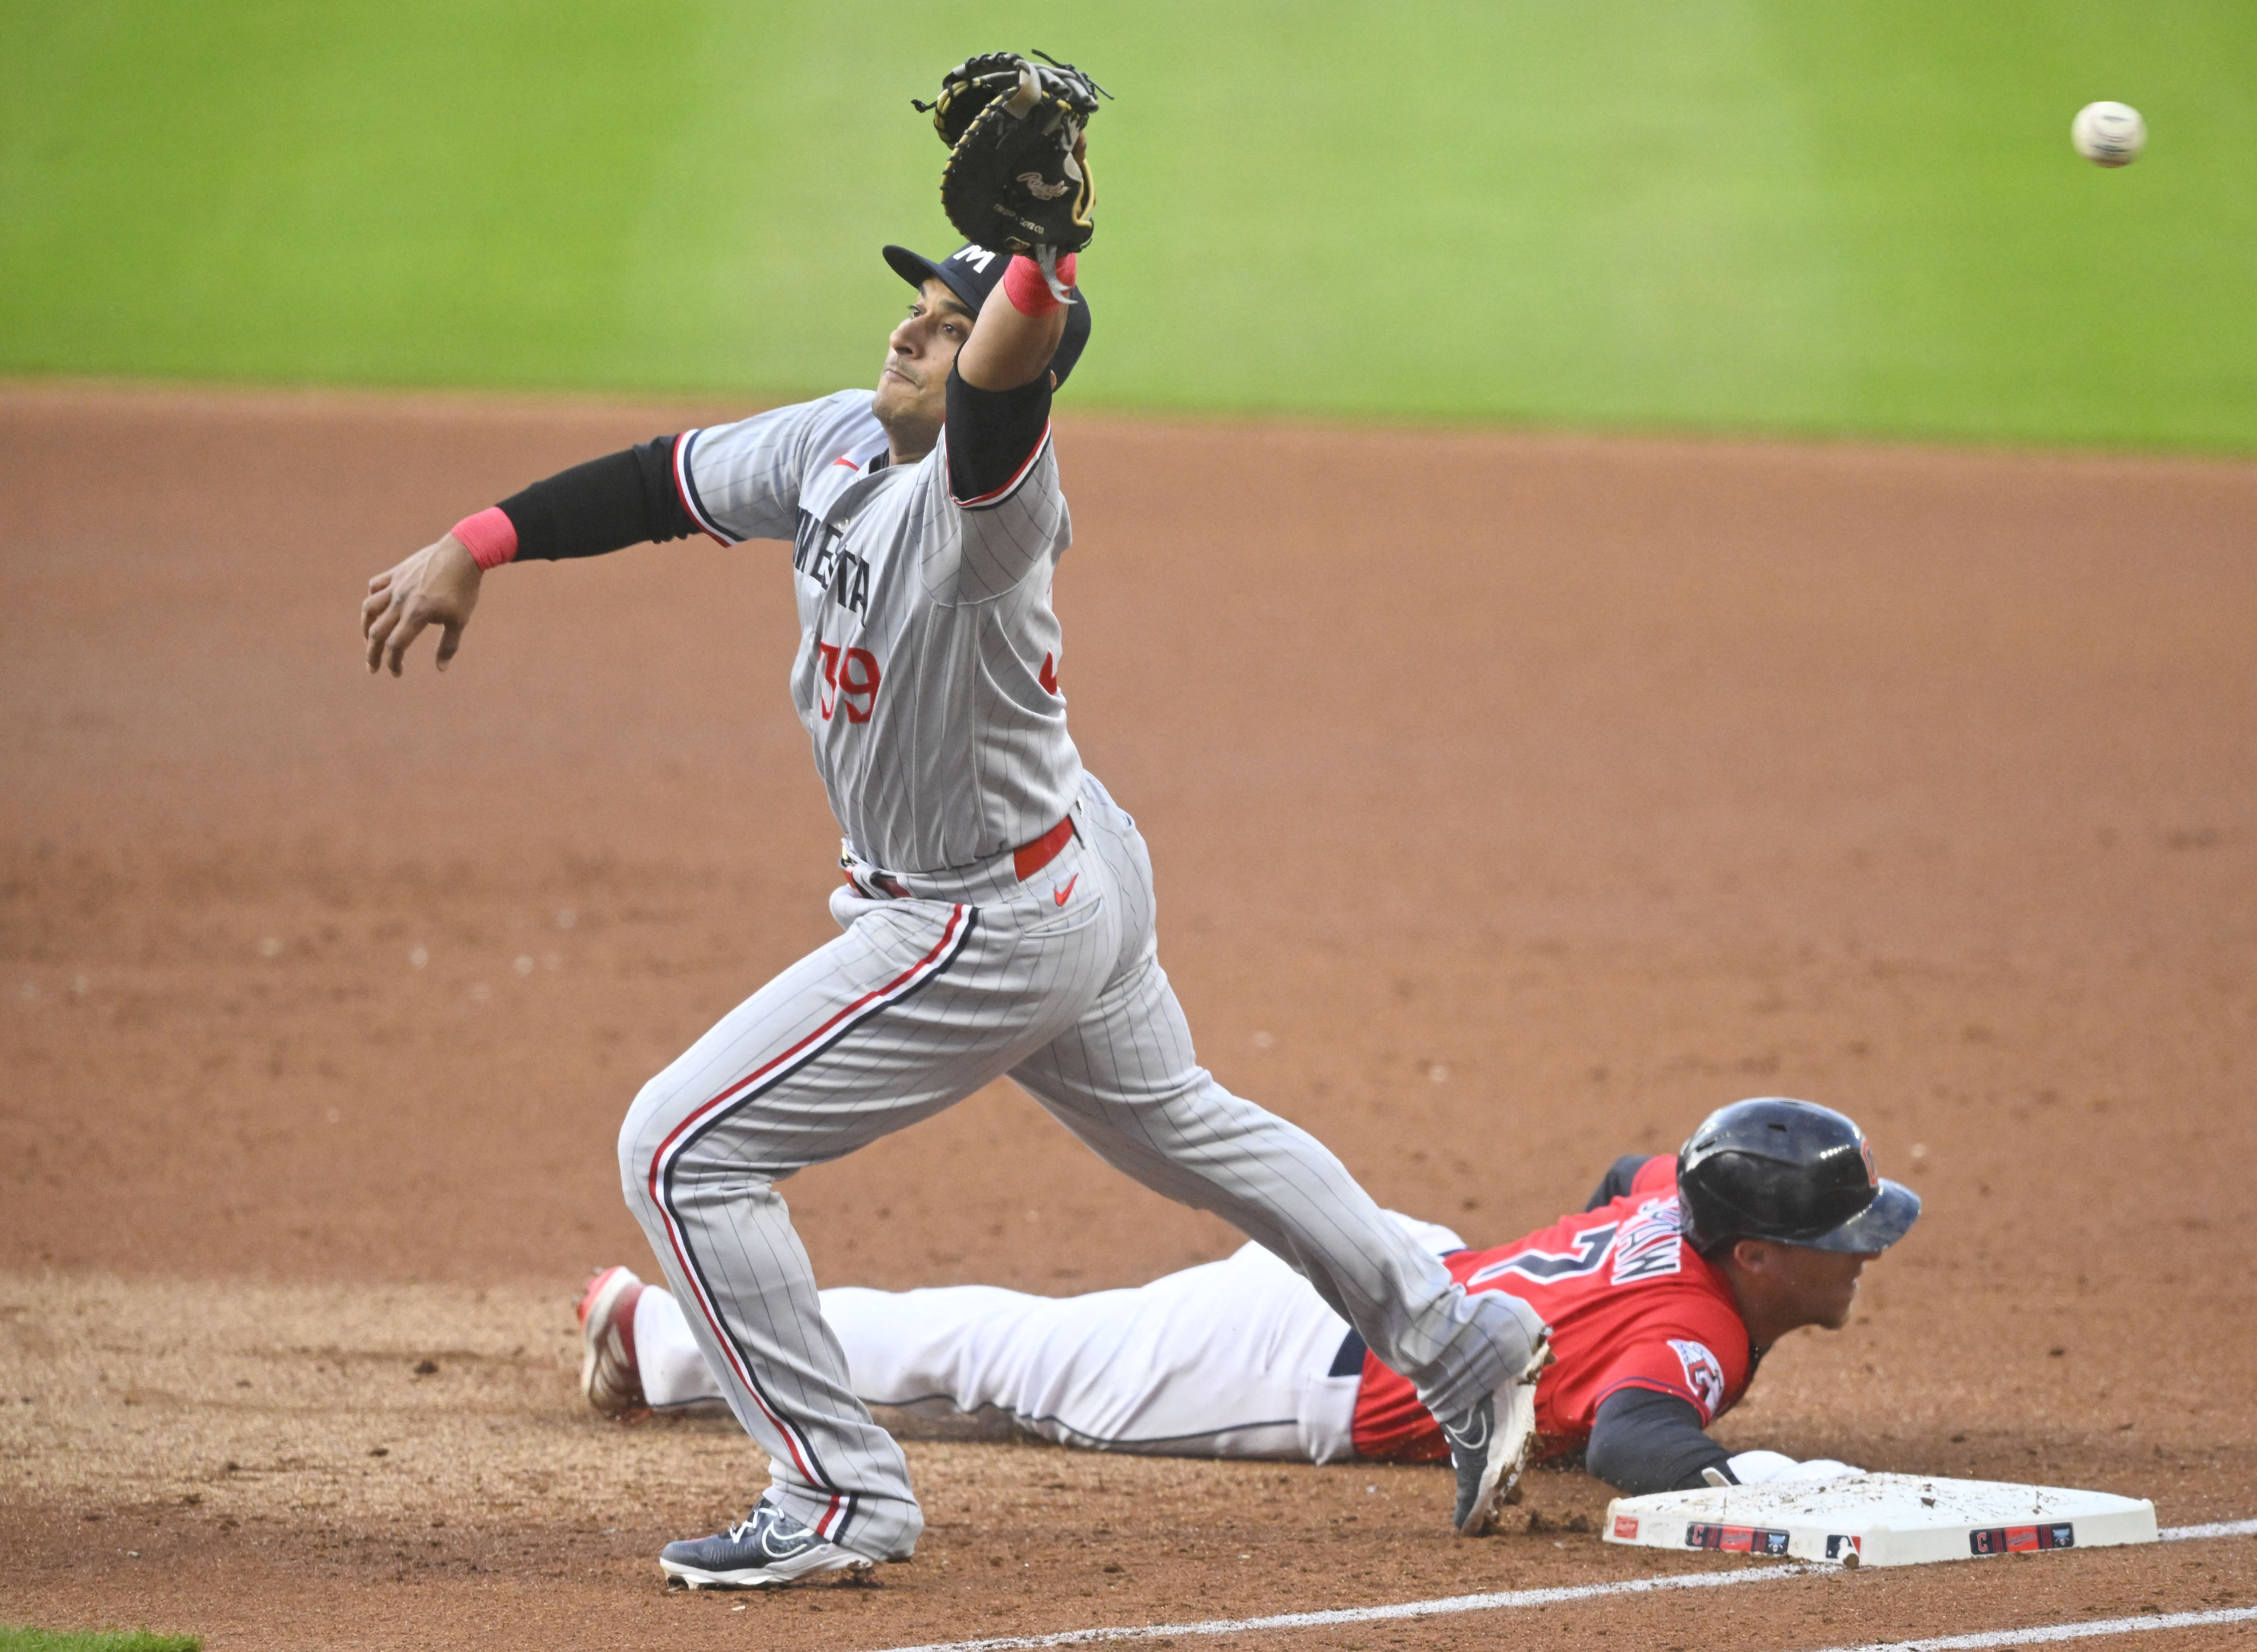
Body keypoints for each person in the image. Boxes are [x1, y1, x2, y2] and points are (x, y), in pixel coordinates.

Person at [359, 117, 1543, 1589]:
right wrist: (480, 541)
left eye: (950, 316)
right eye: (915, 299)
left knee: (681, 1147)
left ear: (1013, 356)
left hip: (982, 916)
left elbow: (998, 393)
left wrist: (1040, 267)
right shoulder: (837, 437)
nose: (917, 326)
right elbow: (664, 481)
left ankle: (838, 1494)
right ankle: (1467, 1342)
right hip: (1071, 862)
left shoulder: (995, 504)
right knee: (1183, 1117)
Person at [576, 1098, 1919, 1506]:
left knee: (1017, 1345)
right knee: (1000, 1355)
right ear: (1747, 1254)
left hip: (1405, 1263)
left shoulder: (1665, 1207)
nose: (1862, 1251)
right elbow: (1638, 1439)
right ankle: (664, 1335)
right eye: (1839, 1234)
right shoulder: (1694, 1332)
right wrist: (1763, 1478)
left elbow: (1625, 1172)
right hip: (1294, 1358)